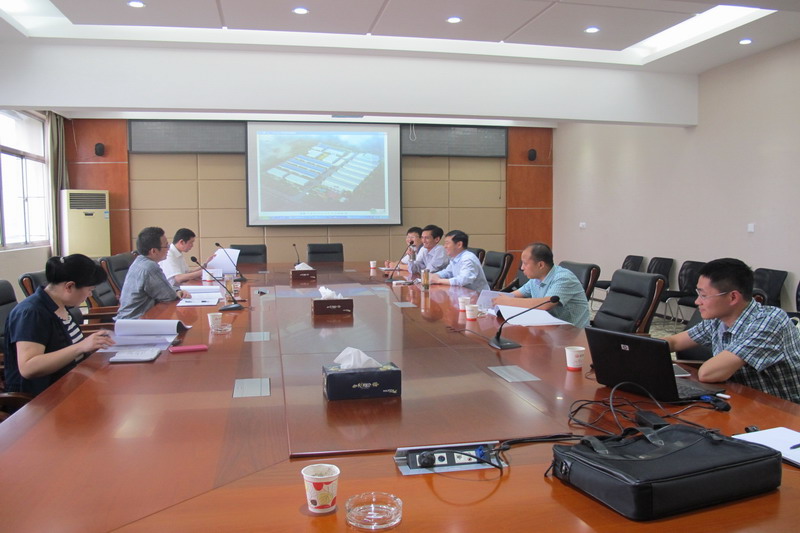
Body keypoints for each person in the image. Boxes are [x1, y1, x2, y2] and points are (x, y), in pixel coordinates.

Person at [666, 258, 800, 404]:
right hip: (743, 399)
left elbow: (708, 373)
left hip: (782, 409)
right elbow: (674, 342)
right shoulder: (718, 319)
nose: (697, 301)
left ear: (733, 297)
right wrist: (647, 348)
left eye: (704, 295)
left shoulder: (769, 322)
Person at [3, 254, 115, 396]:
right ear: (69, 286)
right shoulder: (32, 313)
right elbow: (28, 367)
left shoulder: (60, 305)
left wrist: (93, 343)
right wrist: (81, 346)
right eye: (89, 290)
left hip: (72, 381)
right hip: (42, 397)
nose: (89, 295)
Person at [493, 243, 589, 328]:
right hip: (549, 328)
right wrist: (492, 300)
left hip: (575, 334)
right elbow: (513, 295)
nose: (522, 268)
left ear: (541, 265)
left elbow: (546, 304)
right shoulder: (535, 279)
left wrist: (508, 301)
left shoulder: (563, 278)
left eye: (525, 263)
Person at [117, 227, 191, 320]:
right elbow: (169, 296)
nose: (168, 249)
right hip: (135, 321)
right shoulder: (150, 267)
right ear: (154, 251)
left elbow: (164, 288)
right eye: (166, 246)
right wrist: (177, 292)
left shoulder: (139, 261)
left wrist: (177, 291)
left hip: (130, 319)